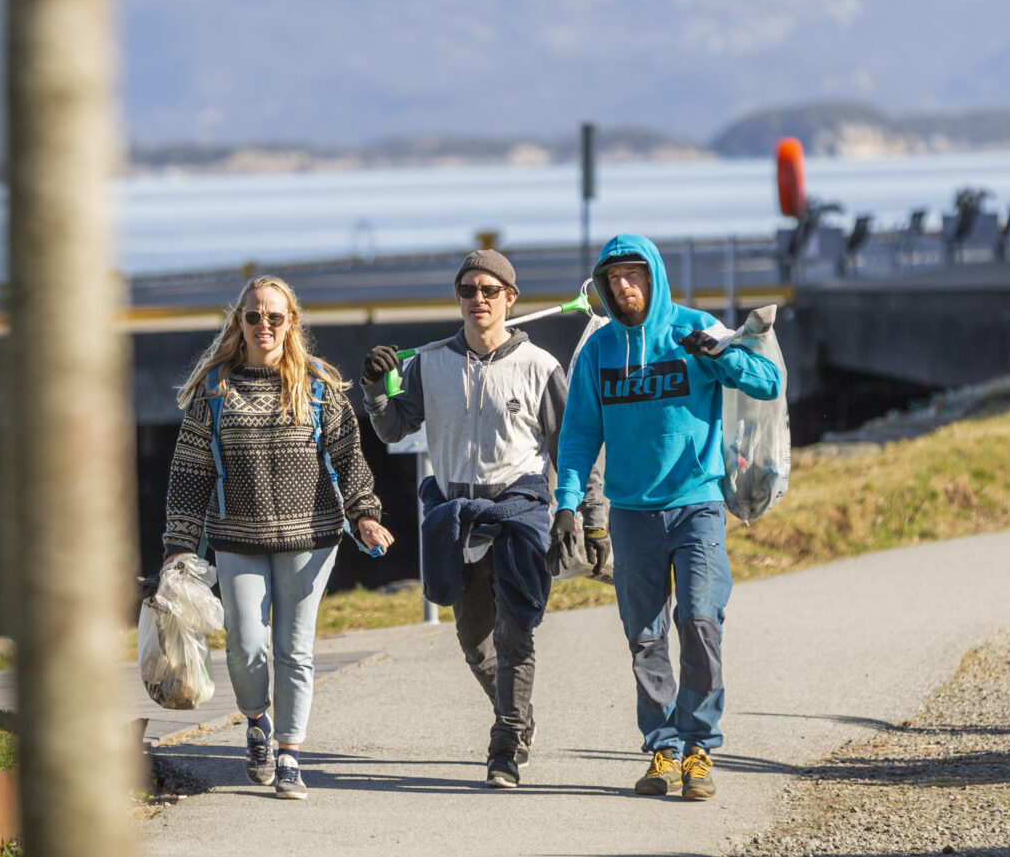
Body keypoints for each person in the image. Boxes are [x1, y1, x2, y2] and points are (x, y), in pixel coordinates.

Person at [552, 234, 781, 801]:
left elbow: (768, 383)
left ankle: (700, 747)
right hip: (632, 513)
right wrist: (566, 503)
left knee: (700, 622)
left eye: (635, 275)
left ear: (654, 276)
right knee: (645, 635)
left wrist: (718, 353)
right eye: (614, 279)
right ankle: (662, 748)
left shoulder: (691, 326)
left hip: (697, 503)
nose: (624, 286)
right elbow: (580, 433)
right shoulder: (600, 351)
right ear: (603, 287)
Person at [360, 248, 600, 788]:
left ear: (510, 299)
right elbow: (395, 427)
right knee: (475, 642)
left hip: (521, 512)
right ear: (459, 298)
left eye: (490, 291)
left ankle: (506, 746)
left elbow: (574, 448)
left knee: (516, 636)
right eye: (468, 290)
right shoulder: (430, 362)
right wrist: (377, 386)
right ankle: (518, 716)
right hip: (454, 517)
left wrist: (580, 514)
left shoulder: (540, 367)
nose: (478, 300)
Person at [164, 275, 393, 800]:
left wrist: (365, 514)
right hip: (236, 537)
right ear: (239, 323)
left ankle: (289, 755)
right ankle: (257, 723)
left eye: (274, 316)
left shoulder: (318, 387)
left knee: (295, 650)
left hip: (311, 537)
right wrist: (178, 546)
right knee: (246, 646)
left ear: (292, 323)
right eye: (253, 316)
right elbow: (189, 473)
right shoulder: (214, 389)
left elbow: (348, 461)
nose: (263, 325)